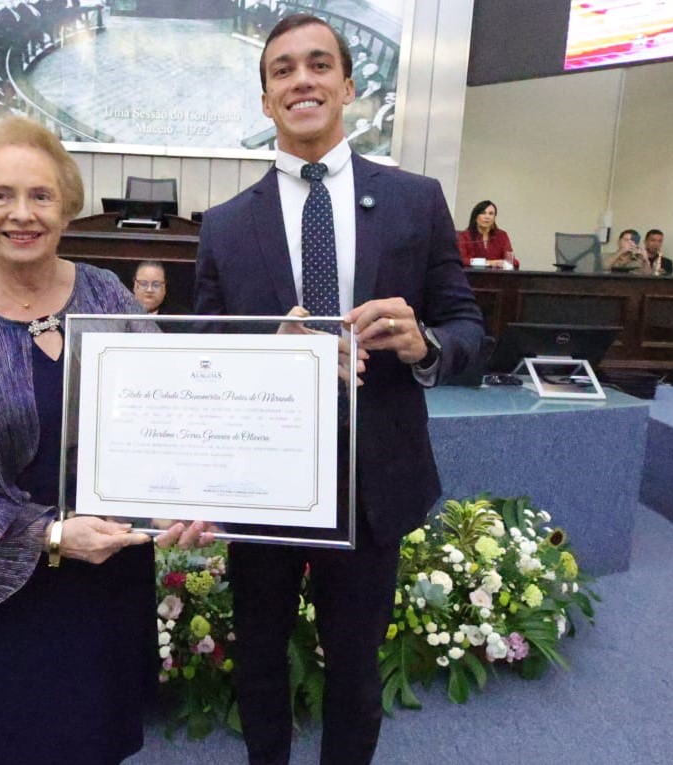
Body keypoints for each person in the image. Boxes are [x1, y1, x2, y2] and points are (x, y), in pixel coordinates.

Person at [194, 14, 484, 765]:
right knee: (258, 664)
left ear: (348, 87)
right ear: (265, 100)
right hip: (260, 484)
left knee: (355, 675)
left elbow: (466, 326)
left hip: (372, 481)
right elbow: (203, 355)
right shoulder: (224, 225)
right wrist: (267, 352)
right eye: (283, 69)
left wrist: (424, 343)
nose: (302, 80)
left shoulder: (416, 200)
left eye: (318, 65)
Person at [0, 115, 209, 765]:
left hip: (111, 579)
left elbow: (172, 409)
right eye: (0, 195)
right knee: (25, 742)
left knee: (103, 739)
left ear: (65, 206)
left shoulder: (106, 295)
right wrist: (53, 533)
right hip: (14, 587)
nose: (21, 214)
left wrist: (187, 494)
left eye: (40, 195)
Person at [456, 199, 518, 269]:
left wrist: (504, 263)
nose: (487, 217)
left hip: (497, 277)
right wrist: (490, 263)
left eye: (491, 214)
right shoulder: (464, 236)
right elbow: (461, 260)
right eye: (483, 213)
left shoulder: (501, 235)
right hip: (471, 277)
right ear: (475, 216)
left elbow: (513, 262)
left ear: (494, 218)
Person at [132, 260, 188, 331]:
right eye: (143, 284)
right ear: (134, 285)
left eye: (156, 285)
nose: (149, 290)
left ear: (164, 288)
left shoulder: (180, 320)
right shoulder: (121, 314)